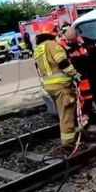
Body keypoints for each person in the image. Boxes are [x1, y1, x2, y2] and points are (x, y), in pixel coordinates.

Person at [33, 20, 82, 149]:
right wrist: (75, 75)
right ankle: (69, 144)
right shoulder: (52, 45)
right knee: (66, 114)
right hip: (61, 87)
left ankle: (76, 136)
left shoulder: (38, 49)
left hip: (50, 87)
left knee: (64, 113)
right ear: (52, 32)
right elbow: (63, 63)